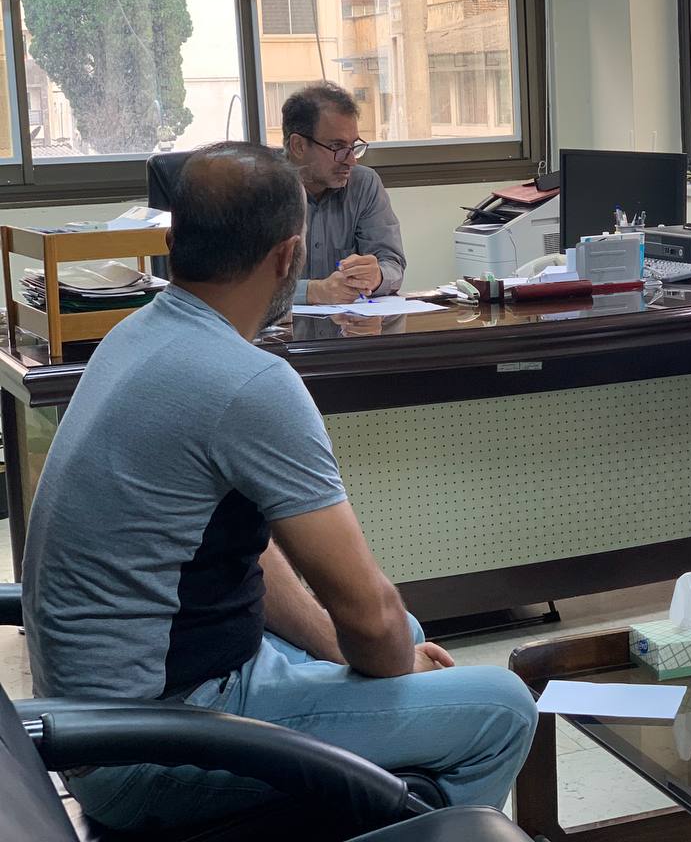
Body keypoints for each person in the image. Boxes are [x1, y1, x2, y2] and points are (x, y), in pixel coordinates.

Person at [21, 143, 535, 833]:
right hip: (151, 743)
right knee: (501, 707)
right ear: (290, 256)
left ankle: (385, 811)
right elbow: (369, 616)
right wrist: (380, 656)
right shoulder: (249, 382)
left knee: (406, 642)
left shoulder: (133, 334)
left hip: (101, 716)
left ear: (173, 244)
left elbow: (241, 545)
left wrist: (342, 646)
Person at [283, 82, 406, 306]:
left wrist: (377, 276)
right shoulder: (259, 189)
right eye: (337, 147)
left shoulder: (363, 184)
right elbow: (239, 286)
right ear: (299, 146)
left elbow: (392, 263)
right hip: (279, 327)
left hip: (349, 323)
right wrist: (311, 291)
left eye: (353, 146)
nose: (351, 160)